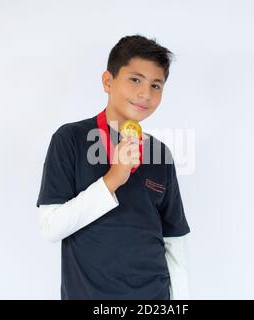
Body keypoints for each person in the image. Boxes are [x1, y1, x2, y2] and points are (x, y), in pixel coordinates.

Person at [36, 34, 191, 300]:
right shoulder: (70, 139)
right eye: (135, 80)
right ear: (108, 81)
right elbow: (51, 228)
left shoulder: (160, 152)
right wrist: (112, 179)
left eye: (156, 85)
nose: (146, 93)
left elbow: (174, 240)